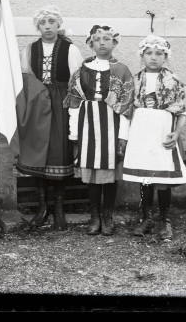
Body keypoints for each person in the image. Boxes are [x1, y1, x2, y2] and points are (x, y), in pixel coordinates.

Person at [17, 5, 84, 231]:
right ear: (38, 26)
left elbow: (77, 80)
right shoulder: (30, 49)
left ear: (58, 24)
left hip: (61, 104)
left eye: (51, 22)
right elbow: (26, 78)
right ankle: (42, 207)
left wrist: (73, 107)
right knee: (39, 153)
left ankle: (59, 208)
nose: (47, 27)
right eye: (43, 23)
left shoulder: (70, 49)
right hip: (38, 102)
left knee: (59, 151)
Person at [64, 25, 134, 236]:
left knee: (110, 173)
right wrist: (75, 134)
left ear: (114, 43)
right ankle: (94, 216)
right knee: (92, 174)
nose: (102, 43)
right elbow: (75, 102)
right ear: (90, 43)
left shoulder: (122, 70)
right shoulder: (82, 71)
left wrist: (123, 135)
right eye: (97, 39)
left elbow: (126, 104)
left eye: (107, 39)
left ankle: (108, 215)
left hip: (111, 124)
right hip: (87, 124)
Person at [122, 35, 186, 240]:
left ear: (165, 56)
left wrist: (177, 133)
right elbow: (126, 111)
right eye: (149, 53)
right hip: (141, 132)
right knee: (145, 178)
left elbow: (183, 110)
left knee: (162, 178)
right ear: (142, 56)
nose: (154, 57)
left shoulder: (174, 81)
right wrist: (124, 138)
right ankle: (146, 218)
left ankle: (164, 220)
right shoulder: (134, 80)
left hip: (162, 131)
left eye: (159, 53)